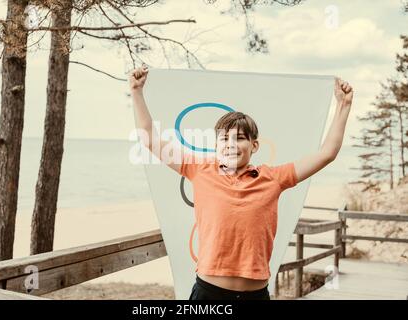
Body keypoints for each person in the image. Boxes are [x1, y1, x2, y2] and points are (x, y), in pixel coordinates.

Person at [129, 66, 353, 300]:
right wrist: (137, 91)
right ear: (216, 144)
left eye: (240, 138)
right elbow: (149, 139)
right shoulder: (199, 169)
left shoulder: (274, 178)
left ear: (254, 146)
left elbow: (327, 153)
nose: (231, 144)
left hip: (255, 295)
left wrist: (343, 106)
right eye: (225, 138)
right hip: (209, 294)